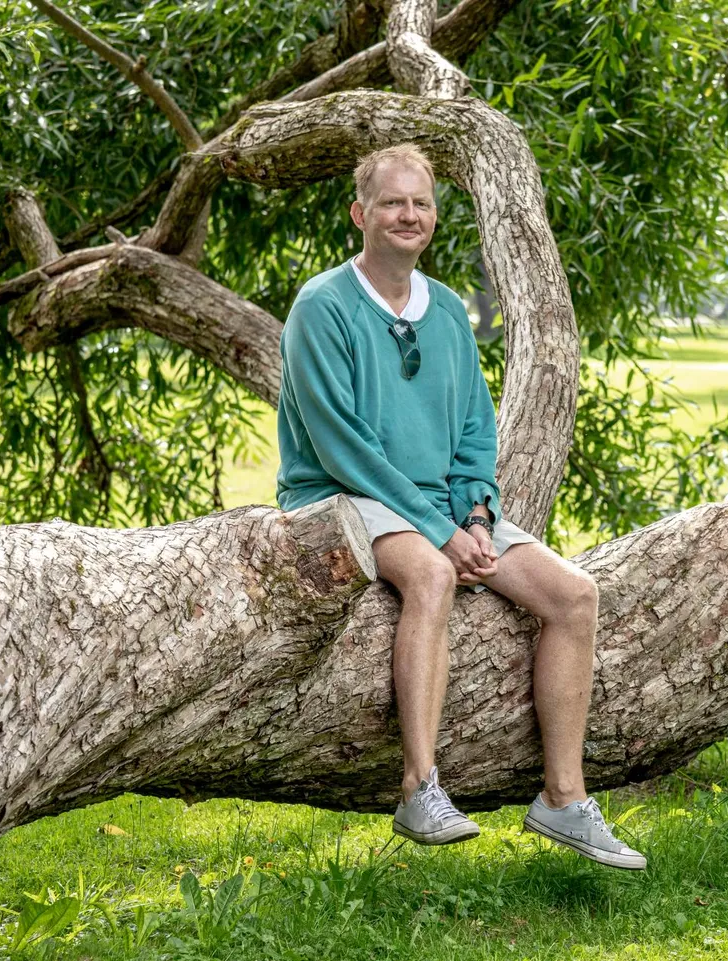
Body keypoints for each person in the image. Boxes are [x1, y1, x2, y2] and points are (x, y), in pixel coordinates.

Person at [274, 144, 645, 871]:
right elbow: (343, 446)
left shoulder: (445, 310)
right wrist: (442, 534)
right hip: (344, 497)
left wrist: (475, 516)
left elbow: (477, 429)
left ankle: (564, 799)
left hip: (442, 505)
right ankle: (419, 788)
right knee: (433, 576)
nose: (408, 214)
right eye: (392, 202)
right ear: (360, 214)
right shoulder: (322, 308)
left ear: (434, 218)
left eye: (421, 204)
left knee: (574, 595)